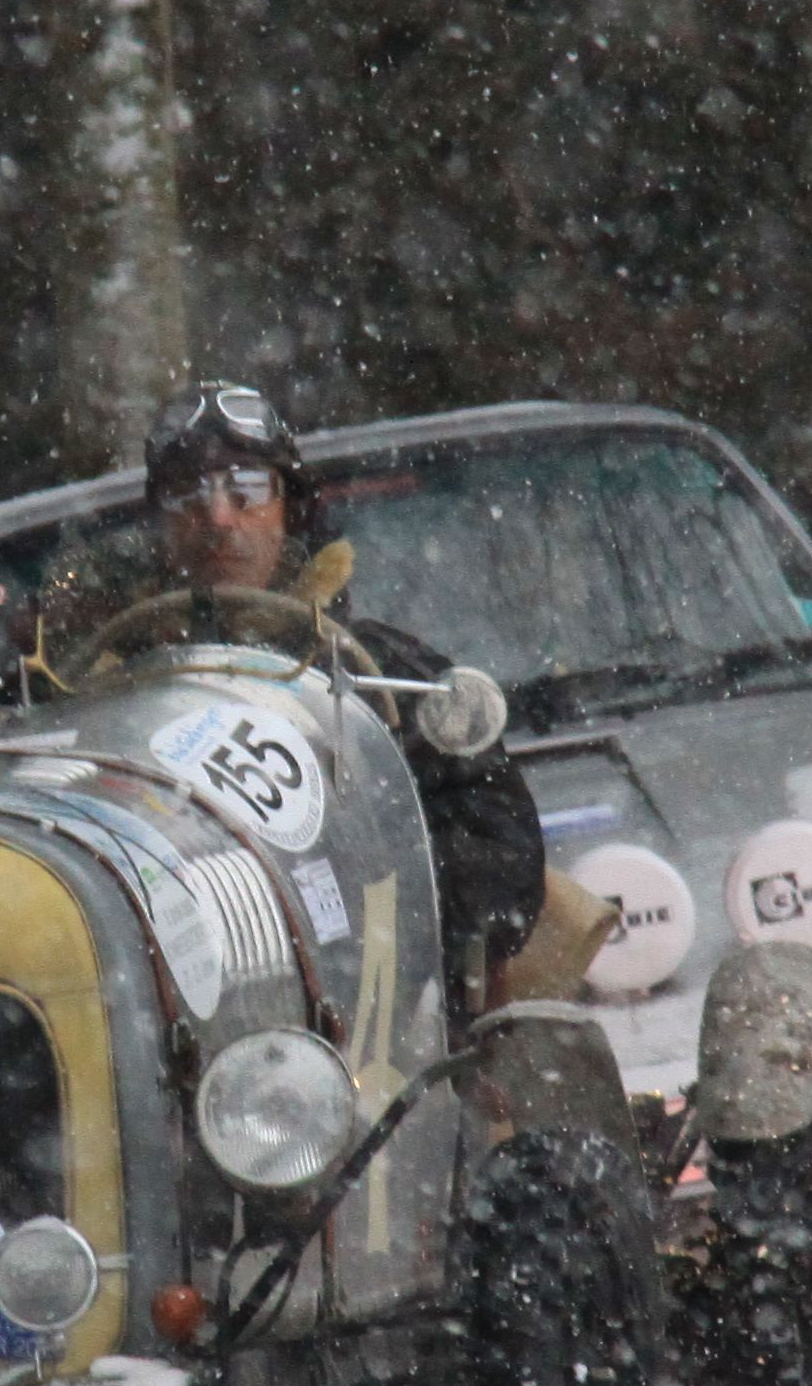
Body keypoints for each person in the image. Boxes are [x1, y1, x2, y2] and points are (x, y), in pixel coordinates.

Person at [129, 382, 554, 997]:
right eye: (187, 494)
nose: (219, 518)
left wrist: (359, 906)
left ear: (291, 509)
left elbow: (501, 872)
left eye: (247, 489)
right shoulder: (111, 685)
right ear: (160, 523)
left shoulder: (382, 676)